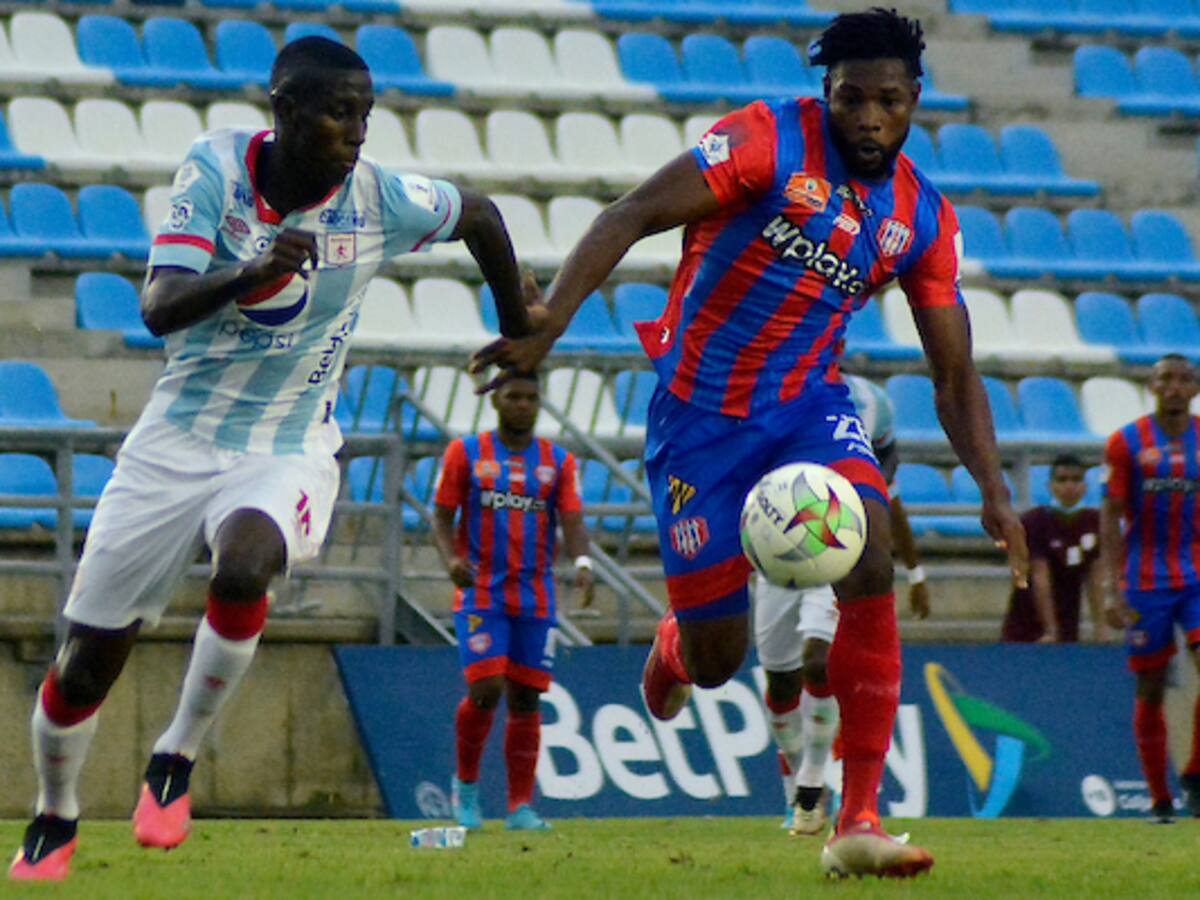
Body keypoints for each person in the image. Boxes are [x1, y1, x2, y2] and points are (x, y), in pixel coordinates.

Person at [469, 8, 1027, 878]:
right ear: (826, 95)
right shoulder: (766, 142)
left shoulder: (921, 215)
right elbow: (632, 214)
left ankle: (859, 815)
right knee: (718, 658)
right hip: (698, 421)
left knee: (870, 549)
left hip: (809, 406)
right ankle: (676, 650)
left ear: (916, 99)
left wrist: (993, 490)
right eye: (851, 99)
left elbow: (954, 374)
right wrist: (548, 325)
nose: (870, 118)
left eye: (888, 101)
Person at [9, 37, 536, 882]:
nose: (357, 131)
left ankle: (175, 758)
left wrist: (518, 329)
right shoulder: (214, 173)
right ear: (284, 112)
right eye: (337, 113)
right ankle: (55, 811)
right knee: (83, 667)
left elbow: (479, 215)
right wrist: (248, 273)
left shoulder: (379, 198)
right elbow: (158, 307)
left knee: (247, 564)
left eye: (366, 113)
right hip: (176, 441)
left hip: (288, 443)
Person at [756, 373, 930, 837]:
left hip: (838, 546)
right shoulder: (772, 395)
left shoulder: (872, 405)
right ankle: (800, 791)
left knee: (819, 661)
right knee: (779, 678)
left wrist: (915, 572)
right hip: (778, 548)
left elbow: (888, 501)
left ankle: (814, 781)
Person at [432, 373, 594, 831]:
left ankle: (520, 806)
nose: (524, 404)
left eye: (531, 397)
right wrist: (451, 561)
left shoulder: (557, 461)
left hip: (535, 597)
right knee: (486, 690)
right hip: (482, 593)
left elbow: (573, 519)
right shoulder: (465, 453)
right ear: (497, 402)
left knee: (527, 698)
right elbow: (441, 518)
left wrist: (583, 562)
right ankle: (464, 789)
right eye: (514, 396)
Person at [1101, 354, 1200, 824]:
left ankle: (1195, 776)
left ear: (1195, 387)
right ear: (1151, 385)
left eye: (1184, 379)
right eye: (1167, 379)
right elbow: (1111, 513)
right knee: (1151, 685)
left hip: (1197, 574)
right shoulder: (1126, 443)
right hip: (1145, 580)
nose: (1175, 387)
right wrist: (1110, 586)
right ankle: (1160, 798)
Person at [1001, 454, 1106, 644]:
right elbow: (1040, 577)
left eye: (1076, 480)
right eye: (1062, 480)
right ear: (1050, 486)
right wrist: (1050, 630)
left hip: (1068, 621)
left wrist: (1101, 629)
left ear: (1085, 486)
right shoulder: (1034, 522)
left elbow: (1095, 579)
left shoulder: (1094, 522)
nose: (1069, 486)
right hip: (1026, 624)